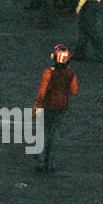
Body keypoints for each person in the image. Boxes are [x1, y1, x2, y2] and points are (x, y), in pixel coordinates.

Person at [32, 44, 78, 172]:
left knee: (43, 131)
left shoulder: (49, 73)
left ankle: (41, 160)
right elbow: (74, 91)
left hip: (48, 105)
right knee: (54, 133)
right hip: (61, 106)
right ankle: (50, 163)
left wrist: (36, 107)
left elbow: (42, 93)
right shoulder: (70, 73)